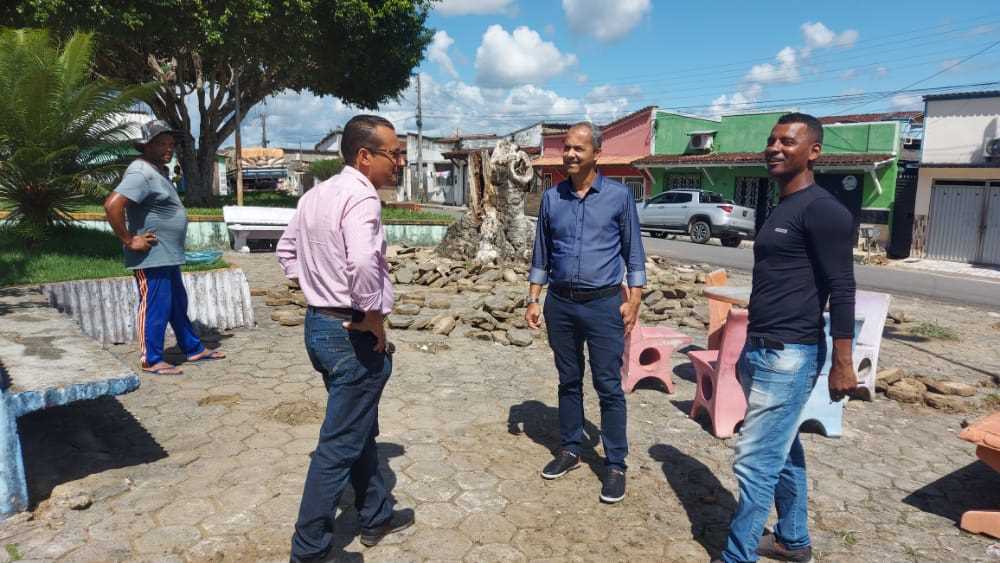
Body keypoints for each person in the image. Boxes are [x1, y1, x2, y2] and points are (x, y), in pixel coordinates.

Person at [715, 113, 857, 563]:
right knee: (782, 447)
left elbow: (844, 287)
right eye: (771, 140)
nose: (774, 148)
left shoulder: (824, 211)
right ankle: (793, 541)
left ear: (813, 151)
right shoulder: (781, 205)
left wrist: (843, 360)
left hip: (790, 354)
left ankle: (738, 557)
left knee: (754, 461)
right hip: (761, 348)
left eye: (788, 141)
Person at [277, 114, 414, 561]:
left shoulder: (316, 195)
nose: (398, 162)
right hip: (350, 333)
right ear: (364, 156)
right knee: (337, 446)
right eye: (393, 154)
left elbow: (285, 251)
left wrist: (316, 286)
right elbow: (360, 263)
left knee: (358, 428)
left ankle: (374, 515)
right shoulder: (362, 199)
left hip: (319, 326)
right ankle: (309, 550)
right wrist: (371, 314)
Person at [524, 121, 646, 504]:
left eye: (579, 148)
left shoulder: (618, 197)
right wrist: (533, 297)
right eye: (567, 148)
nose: (571, 155)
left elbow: (633, 250)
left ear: (597, 153)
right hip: (560, 302)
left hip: (603, 303)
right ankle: (572, 448)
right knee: (568, 379)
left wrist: (636, 297)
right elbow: (542, 250)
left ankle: (614, 464)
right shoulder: (551, 198)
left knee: (608, 384)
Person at [103, 120, 225, 375]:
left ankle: (193, 348)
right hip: (151, 256)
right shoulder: (141, 172)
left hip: (167, 254)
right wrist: (129, 239)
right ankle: (151, 358)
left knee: (177, 303)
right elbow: (112, 205)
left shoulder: (157, 171)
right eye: (161, 143)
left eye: (171, 144)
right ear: (146, 146)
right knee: (156, 305)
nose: (168, 148)